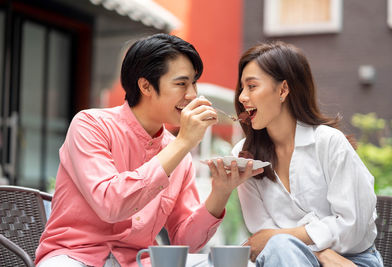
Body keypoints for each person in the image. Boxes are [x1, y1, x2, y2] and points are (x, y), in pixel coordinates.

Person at [35, 33, 263, 267]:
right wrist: (182, 143)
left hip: (138, 262)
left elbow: (185, 241)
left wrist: (221, 192)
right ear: (145, 86)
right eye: (181, 83)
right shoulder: (90, 124)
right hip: (73, 256)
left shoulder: (177, 155)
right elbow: (111, 205)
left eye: (193, 82)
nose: (193, 94)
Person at [210, 41, 383, 266]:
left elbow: (352, 227)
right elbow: (263, 236)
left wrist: (283, 239)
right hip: (284, 258)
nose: (242, 97)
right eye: (242, 88)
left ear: (283, 90)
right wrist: (318, 251)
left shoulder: (328, 142)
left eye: (252, 86)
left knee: (280, 245)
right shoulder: (243, 154)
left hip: (348, 261)